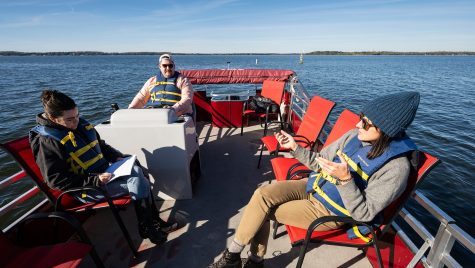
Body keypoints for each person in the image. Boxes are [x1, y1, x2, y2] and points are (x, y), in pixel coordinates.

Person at [209, 92, 421, 268]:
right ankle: (234, 256)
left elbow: (363, 213)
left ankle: (252, 261)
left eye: (365, 123)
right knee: (263, 194)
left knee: (262, 212)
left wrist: (346, 180)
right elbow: (320, 162)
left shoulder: (396, 168)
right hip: (315, 186)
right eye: (361, 117)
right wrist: (294, 147)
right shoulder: (352, 137)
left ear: (384, 130)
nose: (357, 124)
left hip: (331, 211)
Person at [30, 89, 179, 245]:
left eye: (77, 116)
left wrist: (116, 157)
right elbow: (55, 180)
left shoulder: (78, 125)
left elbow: (100, 146)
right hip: (87, 189)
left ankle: (150, 223)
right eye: (70, 119)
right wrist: (94, 180)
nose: (76, 122)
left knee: (135, 166)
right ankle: (148, 224)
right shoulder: (47, 142)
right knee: (139, 180)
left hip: (106, 175)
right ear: (54, 119)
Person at [128, 53, 194, 117]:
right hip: (153, 113)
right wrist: (130, 109)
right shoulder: (151, 81)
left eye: (170, 65)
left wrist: (174, 109)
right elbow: (141, 98)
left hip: (176, 114)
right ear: (159, 66)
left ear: (174, 66)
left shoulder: (183, 80)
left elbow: (187, 99)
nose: (168, 68)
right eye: (164, 65)